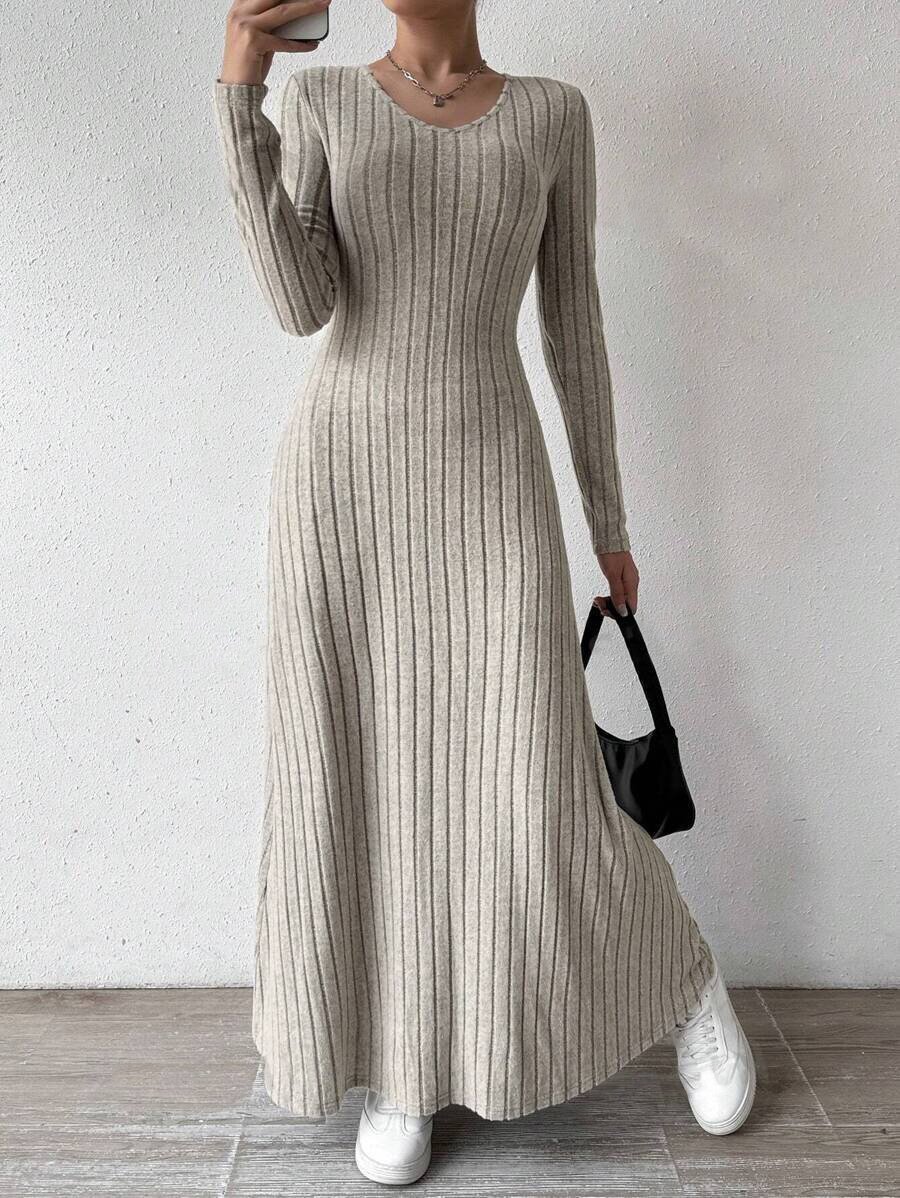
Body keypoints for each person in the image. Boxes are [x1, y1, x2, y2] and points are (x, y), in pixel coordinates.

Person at [213, 0, 756, 1185]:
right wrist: (241, 98)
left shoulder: (553, 116)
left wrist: (608, 517)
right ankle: (404, 1064)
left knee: (536, 776)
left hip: (490, 476)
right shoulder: (322, 100)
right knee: (371, 777)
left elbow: (573, 323)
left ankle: (682, 976)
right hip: (342, 489)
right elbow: (300, 304)